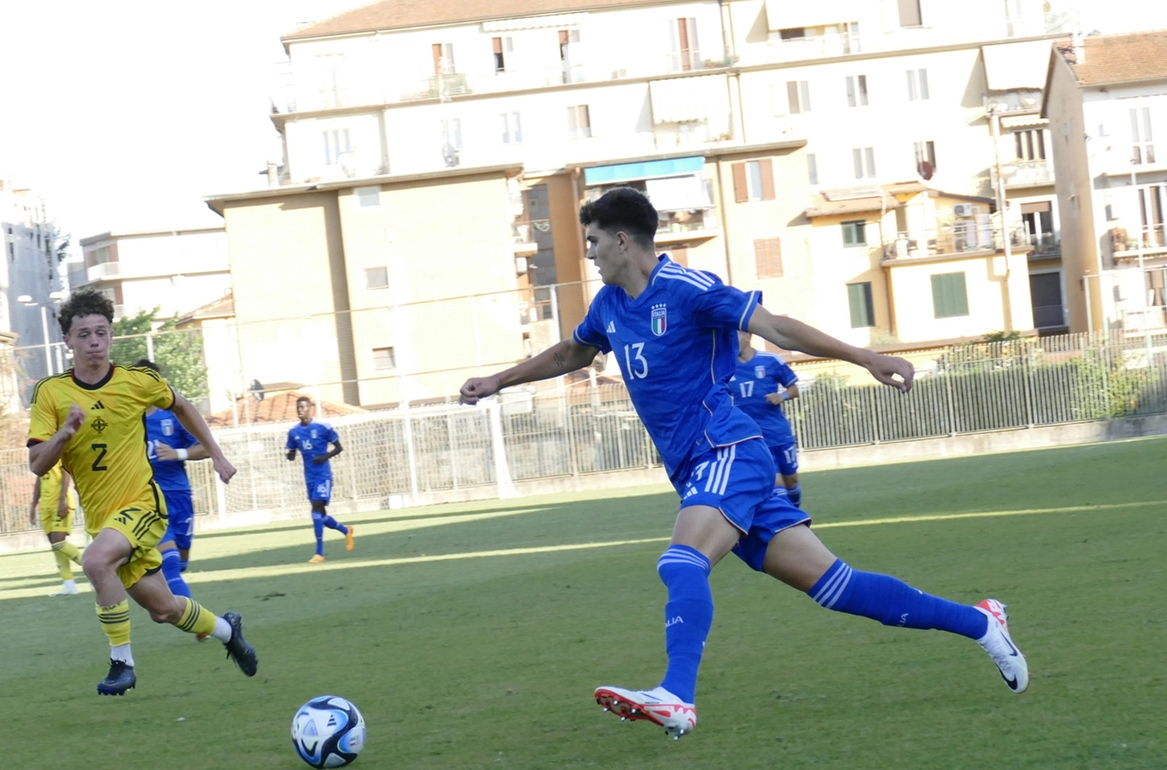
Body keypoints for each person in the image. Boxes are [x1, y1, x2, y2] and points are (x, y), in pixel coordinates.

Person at [459, 187, 1027, 740]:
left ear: (623, 241)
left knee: (681, 562)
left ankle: (676, 694)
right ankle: (981, 623)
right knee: (838, 587)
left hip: (726, 447)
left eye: (592, 240)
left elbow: (775, 327)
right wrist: (498, 381)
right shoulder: (609, 305)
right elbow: (570, 352)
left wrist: (864, 356)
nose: (588, 252)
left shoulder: (687, 289)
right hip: (697, 466)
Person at [27, 288, 257, 696]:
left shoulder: (138, 382)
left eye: (101, 332)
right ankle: (227, 631)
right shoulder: (51, 393)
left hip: (142, 505)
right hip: (103, 519)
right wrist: (64, 433)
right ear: (67, 340)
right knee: (164, 609)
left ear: (112, 336)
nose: (94, 341)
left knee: (96, 563)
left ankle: (122, 664)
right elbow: (38, 464)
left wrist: (217, 455)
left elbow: (182, 406)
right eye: (84, 334)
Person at [135, 358, 207, 599]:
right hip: (149, 501)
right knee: (171, 565)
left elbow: (206, 447)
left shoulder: (174, 415)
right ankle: (198, 622)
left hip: (180, 496)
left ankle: (174, 598)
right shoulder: (126, 421)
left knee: (181, 560)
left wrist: (178, 453)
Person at [731, 331, 803, 507]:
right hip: (752, 438)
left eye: (736, 335)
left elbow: (794, 389)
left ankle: (795, 513)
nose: (731, 339)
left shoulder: (770, 360)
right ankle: (791, 523)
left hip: (779, 434)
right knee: (776, 483)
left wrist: (782, 396)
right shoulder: (726, 367)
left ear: (747, 336)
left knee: (791, 480)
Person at [284, 396, 355, 562]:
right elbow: (290, 455)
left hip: (323, 475)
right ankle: (346, 530)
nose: (300, 410)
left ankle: (319, 553)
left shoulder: (323, 427)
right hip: (309, 477)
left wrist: (324, 457)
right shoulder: (294, 432)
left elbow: (339, 447)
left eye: (303, 407)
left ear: (310, 409)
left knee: (316, 510)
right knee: (320, 515)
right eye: (298, 407)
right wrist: (290, 453)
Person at [29, 466, 83, 595]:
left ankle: (97, 569)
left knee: (59, 543)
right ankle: (69, 585)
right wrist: (33, 505)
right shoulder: (40, 451)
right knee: (56, 547)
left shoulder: (57, 449)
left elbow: (66, 474)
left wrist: (61, 499)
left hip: (60, 504)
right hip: (46, 506)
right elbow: (39, 480)